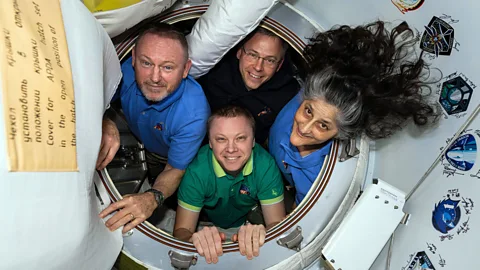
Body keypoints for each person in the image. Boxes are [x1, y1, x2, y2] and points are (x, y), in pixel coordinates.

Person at [269, 21, 438, 206]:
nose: (305, 127)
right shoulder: (309, 97)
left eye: (323, 125)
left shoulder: (319, 179)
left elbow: (298, 211)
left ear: (340, 133)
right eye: (308, 111)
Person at [96, 22, 210, 233]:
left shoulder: (192, 114)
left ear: (186, 69)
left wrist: (152, 197)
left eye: (167, 67)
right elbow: (98, 93)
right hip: (137, 134)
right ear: (133, 58)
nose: (155, 78)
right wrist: (105, 118)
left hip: (165, 156)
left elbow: (175, 169)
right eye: (146, 63)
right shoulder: (125, 72)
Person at [173, 105, 286, 264]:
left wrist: (264, 233)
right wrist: (193, 239)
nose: (231, 149)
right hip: (209, 225)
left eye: (240, 138)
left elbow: (276, 223)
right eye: (221, 139)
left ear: (253, 140)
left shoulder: (265, 165)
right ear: (210, 143)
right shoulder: (197, 171)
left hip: (247, 223)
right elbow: (181, 231)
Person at [196, 27, 299, 145]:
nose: (258, 67)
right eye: (252, 55)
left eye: (270, 60)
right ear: (239, 51)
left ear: (279, 65)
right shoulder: (212, 70)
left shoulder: (287, 96)